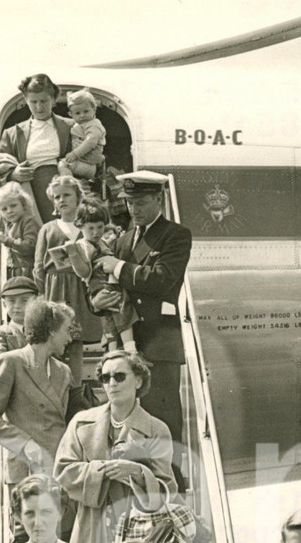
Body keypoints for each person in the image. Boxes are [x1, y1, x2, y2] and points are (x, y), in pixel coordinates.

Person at [54, 349, 176, 543]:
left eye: (119, 376)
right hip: (91, 529)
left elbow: (167, 490)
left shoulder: (156, 429)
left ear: (138, 380)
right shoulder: (80, 423)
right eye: (105, 378)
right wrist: (102, 470)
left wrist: (139, 473)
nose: (111, 383)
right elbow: (63, 473)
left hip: (137, 535)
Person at [91, 170, 193, 456]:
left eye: (141, 203)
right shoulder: (122, 241)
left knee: (164, 418)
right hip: (126, 345)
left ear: (158, 199)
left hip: (158, 343)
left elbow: (163, 279)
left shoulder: (176, 235)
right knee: (128, 423)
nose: (133, 210)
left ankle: (171, 482)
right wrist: (97, 302)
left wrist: (119, 267)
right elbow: (103, 282)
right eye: (129, 203)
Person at [0, 298, 75, 494]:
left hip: (58, 470)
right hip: (27, 471)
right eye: (67, 330)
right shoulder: (10, 363)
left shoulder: (63, 371)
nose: (70, 338)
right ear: (52, 330)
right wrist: (25, 444)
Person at [33, 174, 104, 388]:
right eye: (56, 197)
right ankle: (55, 387)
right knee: (55, 340)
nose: (61, 200)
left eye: (66, 195)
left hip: (80, 287)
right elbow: (38, 266)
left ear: (78, 197)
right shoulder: (48, 228)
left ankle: (75, 389)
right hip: (56, 288)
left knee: (76, 343)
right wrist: (45, 293)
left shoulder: (87, 227)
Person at [0, 73, 74, 221]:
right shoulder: (11, 133)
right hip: (30, 195)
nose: (39, 107)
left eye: (44, 101)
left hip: (66, 193)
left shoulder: (71, 127)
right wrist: (13, 174)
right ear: (26, 100)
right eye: (33, 102)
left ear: (53, 100)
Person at [72, 197, 137, 352]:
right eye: (91, 228)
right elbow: (84, 272)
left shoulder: (100, 241)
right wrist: (74, 256)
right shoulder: (84, 246)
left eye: (100, 227)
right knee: (122, 306)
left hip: (105, 280)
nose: (96, 232)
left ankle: (113, 351)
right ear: (80, 226)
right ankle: (130, 346)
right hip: (100, 281)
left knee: (109, 316)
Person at [0, 275, 39, 371]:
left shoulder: (45, 330)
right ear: (4, 304)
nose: (17, 306)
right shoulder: (1, 333)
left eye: (24, 301)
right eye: (11, 301)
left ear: (35, 302)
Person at [0, 181, 42, 277]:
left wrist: (7, 241)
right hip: (15, 269)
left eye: (13, 206)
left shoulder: (28, 221)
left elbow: (29, 247)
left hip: (29, 270)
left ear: (23, 205)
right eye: (4, 209)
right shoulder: (12, 223)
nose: (9, 211)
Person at [58, 88, 106, 181]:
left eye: (86, 111)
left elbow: (90, 142)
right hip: (83, 162)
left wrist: (75, 154)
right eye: (77, 113)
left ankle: (69, 183)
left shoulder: (94, 125)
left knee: (62, 165)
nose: (82, 115)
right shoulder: (79, 124)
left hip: (88, 165)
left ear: (94, 109)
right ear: (71, 114)